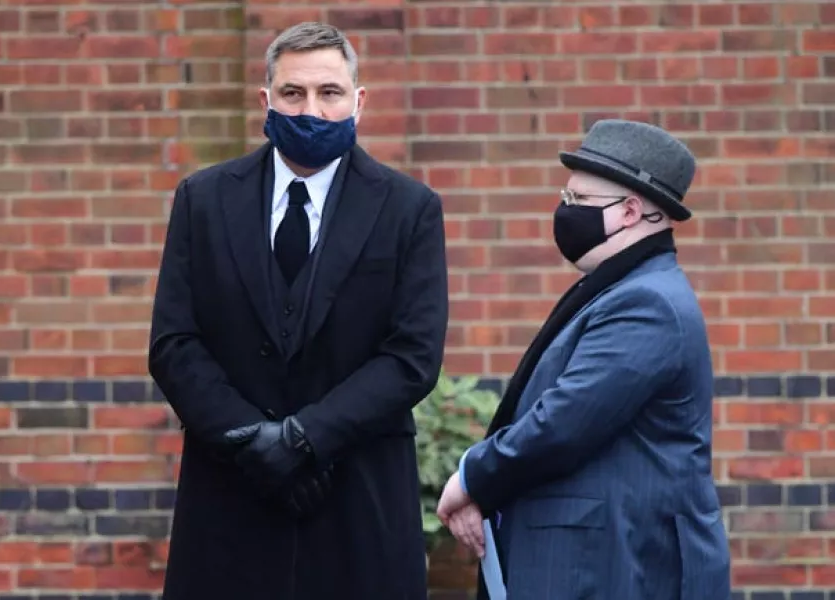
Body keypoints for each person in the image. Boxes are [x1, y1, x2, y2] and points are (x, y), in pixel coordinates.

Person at [148, 21, 448, 600]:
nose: (311, 109)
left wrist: (302, 440)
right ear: (267, 100)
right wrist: (251, 443)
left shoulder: (410, 210)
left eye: (329, 93)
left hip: (357, 501)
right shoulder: (204, 200)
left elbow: (412, 356)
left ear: (358, 101)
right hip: (229, 503)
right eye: (293, 93)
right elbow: (174, 343)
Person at [436, 119, 732, 600]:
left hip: (619, 569)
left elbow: (563, 423)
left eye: (578, 201)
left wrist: (472, 477)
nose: (563, 211)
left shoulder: (646, 304)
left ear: (631, 211)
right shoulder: (620, 289)